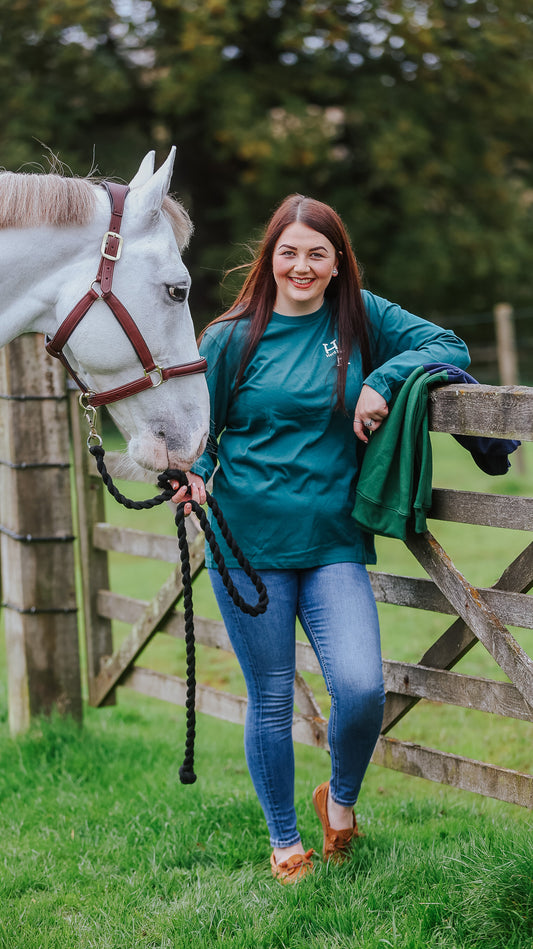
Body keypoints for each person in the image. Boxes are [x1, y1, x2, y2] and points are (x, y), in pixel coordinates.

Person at [171, 195, 470, 883]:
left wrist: (385, 378)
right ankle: (284, 841)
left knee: (362, 687)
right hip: (247, 543)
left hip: (334, 538)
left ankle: (338, 801)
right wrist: (199, 475)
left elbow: (446, 345)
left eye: (316, 253)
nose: (301, 265)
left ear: (337, 263)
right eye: (289, 251)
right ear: (269, 256)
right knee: (271, 694)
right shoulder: (227, 338)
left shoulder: (360, 318)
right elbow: (196, 431)